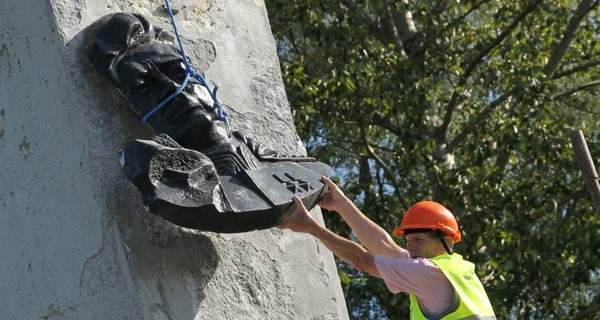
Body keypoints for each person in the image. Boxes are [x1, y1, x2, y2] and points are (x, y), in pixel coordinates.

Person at [280, 176, 496, 319]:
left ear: (446, 241)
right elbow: (384, 245)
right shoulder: (454, 268)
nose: (411, 248)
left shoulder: (427, 272)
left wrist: (312, 228)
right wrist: (341, 204)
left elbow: (362, 260)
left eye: (419, 240)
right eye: (409, 241)